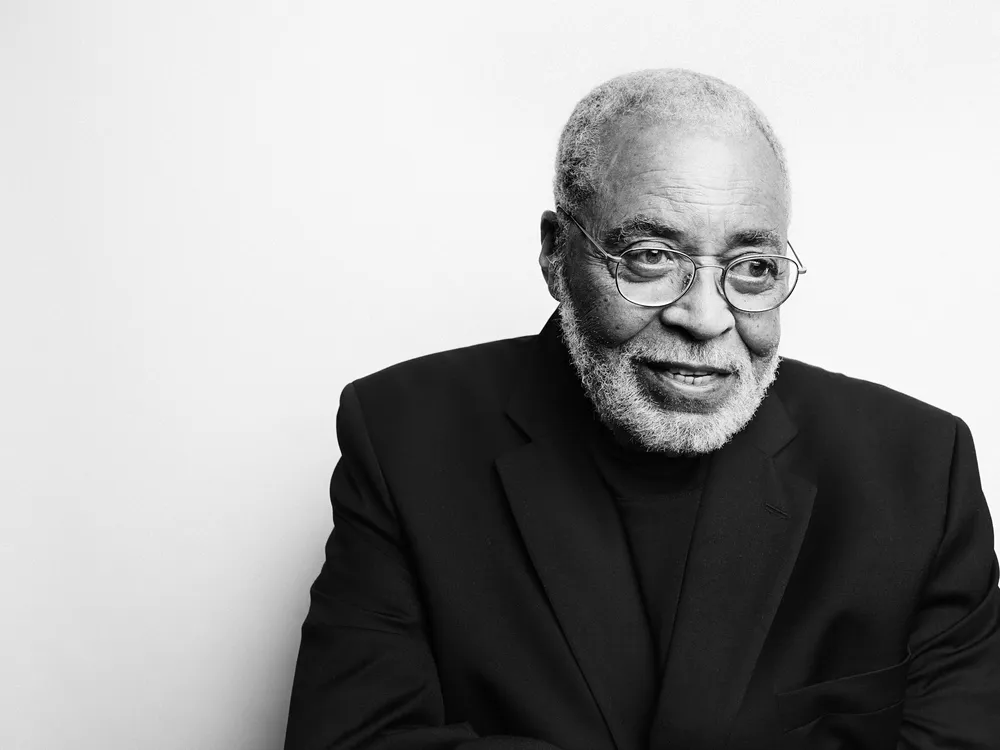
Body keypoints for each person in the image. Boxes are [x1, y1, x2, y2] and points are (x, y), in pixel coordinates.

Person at [283, 69, 1000, 749]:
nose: (705, 318)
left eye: (751, 268)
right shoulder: (405, 438)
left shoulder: (919, 470)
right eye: (651, 256)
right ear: (558, 255)